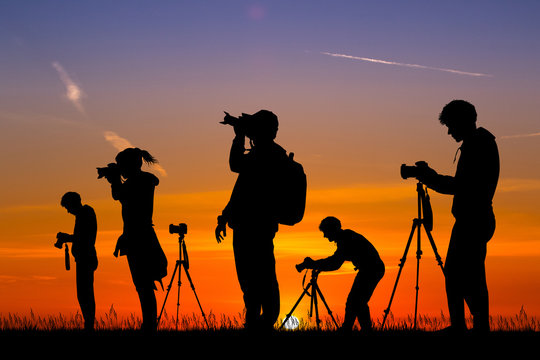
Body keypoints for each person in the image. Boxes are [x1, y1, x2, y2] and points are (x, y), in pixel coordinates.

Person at [416, 100, 499, 334]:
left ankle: (467, 326)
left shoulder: (478, 145)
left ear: (462, 121)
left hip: (473, 220)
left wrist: (429, 177)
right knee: (465, 276)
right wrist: (431, 177)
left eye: (451, 125)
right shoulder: (479, 143)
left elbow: (461, 186)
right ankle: (467, 325)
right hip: (474, 219)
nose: (450, 131)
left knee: (461, 276)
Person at [215, 110, 291, 331]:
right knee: (250, 278)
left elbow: (235, 164)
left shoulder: (269, 155)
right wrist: (224, 217)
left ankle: (264, 322)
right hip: (247, 225)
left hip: (256, 226)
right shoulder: (265, 153)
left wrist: (239, 136)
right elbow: (241, 191)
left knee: (261, 277)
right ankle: (256, 321)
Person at [100, 147, 167, 332]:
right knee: (142, 284)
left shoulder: (140, 181)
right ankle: (149, 324)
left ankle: (149, 325)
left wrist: (114, 180)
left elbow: (119, 196)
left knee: (143, 283)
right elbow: (121, 196)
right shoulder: (139, 181)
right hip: (136, 235)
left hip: (139, 236)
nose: (121, 169)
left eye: (122, 165)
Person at [298, 216, 385, 332]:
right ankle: (359, 329)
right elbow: (334, 261)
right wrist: (316, 265)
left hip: (371, 269)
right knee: (358, 301)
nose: (325, 236)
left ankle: (350, 329)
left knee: (355, 301)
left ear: (332, 229)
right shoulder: (345, 237)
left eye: (325, 232)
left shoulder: (346, 239)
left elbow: (335, 263)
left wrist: (313, 264)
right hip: (370, 269)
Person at [56, 191, 98, 331]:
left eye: (67, 207)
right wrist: (68, 238)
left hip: (86, 258)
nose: (68, 211)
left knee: (85, 293)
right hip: (83, 259)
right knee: (83, 293)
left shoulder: (85, 213)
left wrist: (67, 237)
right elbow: (81, 236)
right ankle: (88, 324)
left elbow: (84, 237)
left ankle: (89, 325)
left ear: (72, 203)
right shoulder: (84, 214)